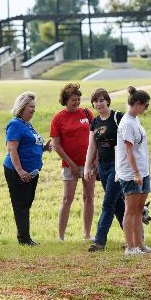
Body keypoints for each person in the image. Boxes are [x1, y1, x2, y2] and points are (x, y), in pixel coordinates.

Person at [50, 83, 95, 242]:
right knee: (67, 198)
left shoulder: (87, 113)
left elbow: (95, 137)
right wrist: (71, 164)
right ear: (66, 100)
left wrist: (94, 161)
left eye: (78, 99)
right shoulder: (58, 118)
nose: (76, 103)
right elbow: (56, 145)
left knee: (89, 196)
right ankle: (61, 237)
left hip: (89, 163)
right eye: (73, 100)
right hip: (70, 165)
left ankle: (87, 234)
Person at [3, 92, 47, 246]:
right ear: (22, 107)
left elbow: (31, 145)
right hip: (18, 171)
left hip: (32, 172)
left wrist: (45, 147)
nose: (33, 110)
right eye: (31, 107)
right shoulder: (15, 124)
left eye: (34, 107)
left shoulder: (27, 124)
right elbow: (12, 149)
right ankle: (24, 239)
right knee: (21, 204)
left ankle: (24, 236)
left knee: (26, 203)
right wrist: (20, 171)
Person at [85, 88, 126, 252]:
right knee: (117, 204)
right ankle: (137, 236)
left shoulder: (118, 117)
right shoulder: (94, 122)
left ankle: (99, 241)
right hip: (103, 167)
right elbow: (91, 146)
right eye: (96, 101)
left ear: (107, 101)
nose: (99, 103)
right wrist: (88, 166)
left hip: (118, 166)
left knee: (108, 203)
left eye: (102, 100)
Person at [116, 87, 151, 256]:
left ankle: (140, 244)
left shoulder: (135, 120)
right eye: (146, 105)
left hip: (142, 171)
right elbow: (129, 151)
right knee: (130, 210)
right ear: (138, 104)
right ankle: (130, 247)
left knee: (138, 209)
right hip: (131, 173)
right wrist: (136, 172)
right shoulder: (127, 123)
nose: (147, 109)